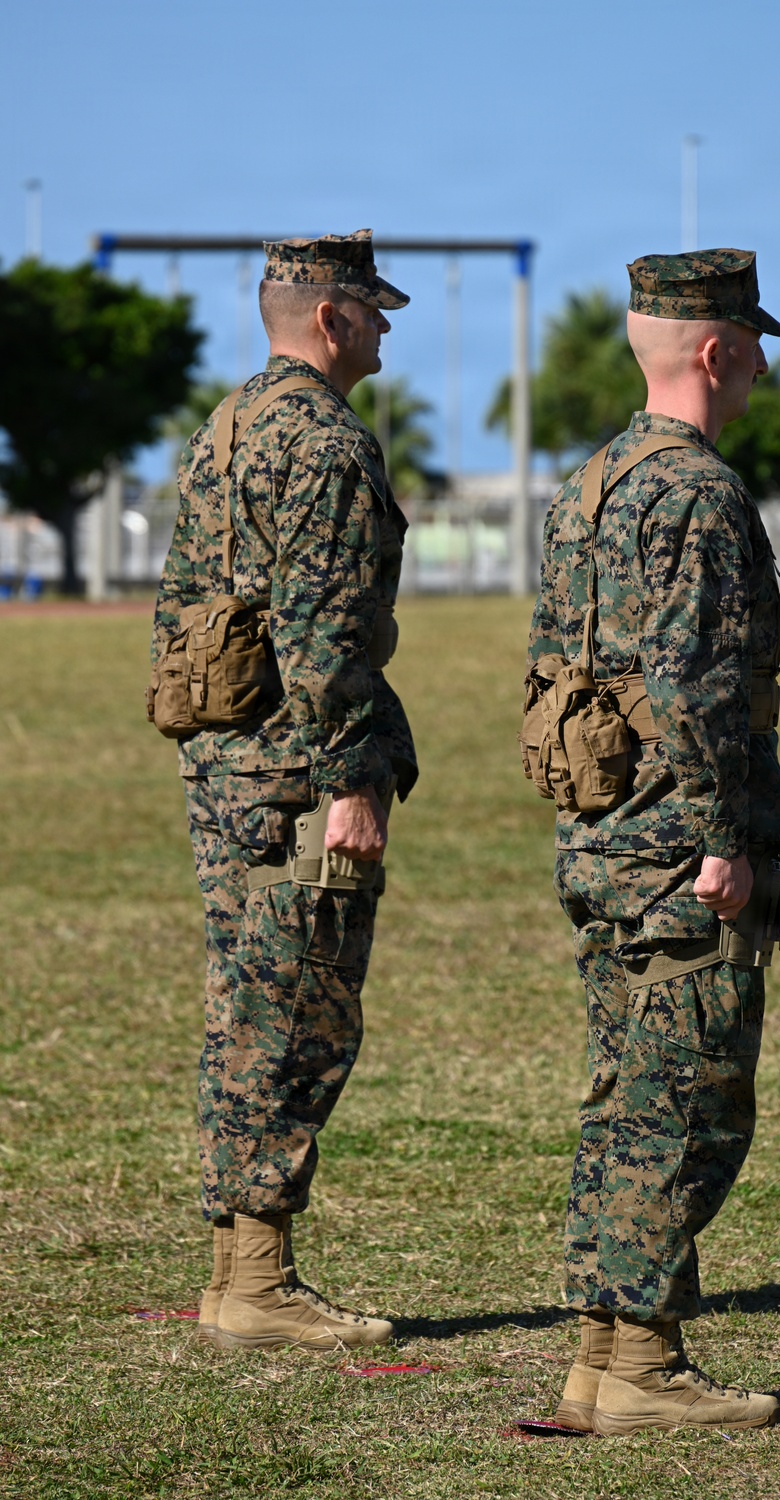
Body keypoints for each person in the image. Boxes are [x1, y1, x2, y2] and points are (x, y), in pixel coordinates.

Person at [525, 250, 780, 1434]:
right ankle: (641, 1368)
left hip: (603, 832)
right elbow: (696, 687)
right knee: (687, 1103)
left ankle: (604, 1356)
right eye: (754, 345)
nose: (759, 369)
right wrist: (727, 838)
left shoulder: (591, 481)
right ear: (715, 349)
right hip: (678, 848)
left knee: (628, 1096)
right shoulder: (696, 491)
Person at [151, 231, 417, 1353]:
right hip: (295, 771)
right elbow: (326, 638)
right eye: (372, 309)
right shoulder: (325, 442)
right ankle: (257, 1284)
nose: (385, 327)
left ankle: (237, 1276)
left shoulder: (226, 425)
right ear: (328, 319)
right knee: (299, 1010)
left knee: (244, 1005)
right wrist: (352, 781)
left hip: (225, 759)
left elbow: (182, 607)